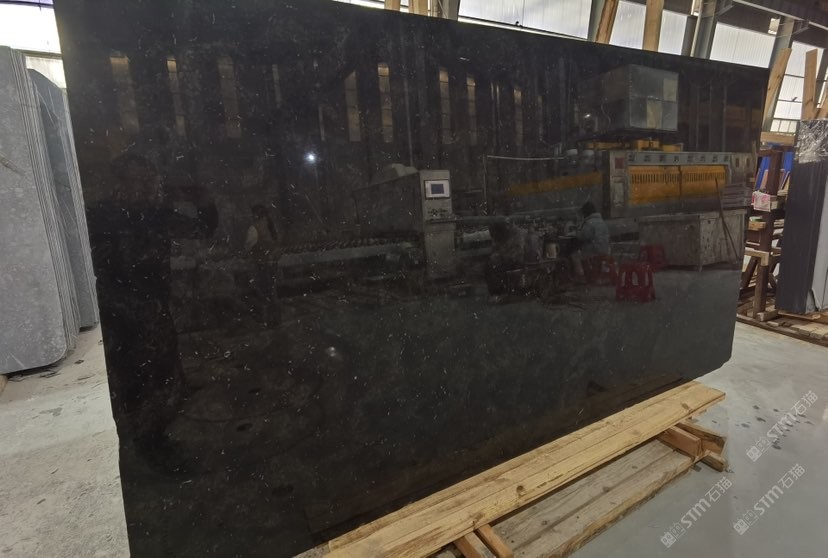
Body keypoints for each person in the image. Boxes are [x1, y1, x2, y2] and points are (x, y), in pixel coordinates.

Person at [571, 201, 610, 281]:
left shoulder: (589, 223)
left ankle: (582, 276)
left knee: (575, 255)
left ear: (586, 213)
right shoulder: (601, 221)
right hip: (605, 249)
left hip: (594, 250)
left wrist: (576, 233)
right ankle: (593, 275)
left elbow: (584, 236)